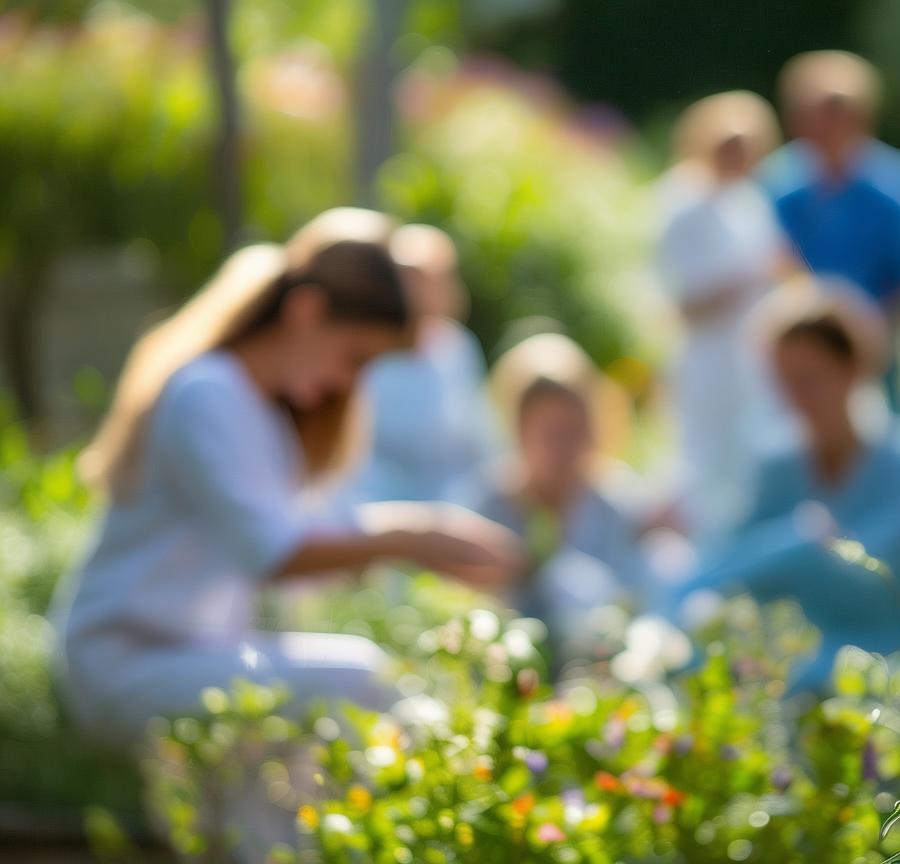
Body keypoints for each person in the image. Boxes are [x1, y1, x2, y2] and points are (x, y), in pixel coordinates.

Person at [52, 208, 523, 751]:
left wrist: (426, 535)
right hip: (127, 660)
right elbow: (273, 553)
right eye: (354, 357)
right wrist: (412, 539)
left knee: (303, 764)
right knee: (360, 679)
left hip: (196, 651)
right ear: (306, 311)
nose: (348, 382)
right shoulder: (209, 393)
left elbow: (309, 534)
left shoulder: (263, 410)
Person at [670, 284, 900, 690]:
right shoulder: (779, 468)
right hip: (803, 662)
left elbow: (870, 578)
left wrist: (802, 545)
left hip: (897, 663)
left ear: (853, 368)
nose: (797, 399)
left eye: (810, 379)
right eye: (785, 384)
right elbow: (731, 559)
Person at [655, 90, 795, 540]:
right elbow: (680, 301)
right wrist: (746, 278)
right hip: (707, 361)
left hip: (750, 357)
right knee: (705, 462)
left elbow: (780, 266)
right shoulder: (681, 204)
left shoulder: (748, 202)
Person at [457, 333, 650, 657]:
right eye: (553, 434)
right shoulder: (488, 504)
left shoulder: (615, 500)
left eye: (576, 430)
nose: (566, 448)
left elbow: (632, 595)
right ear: (519, 430)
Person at [760, 50, 900, 294]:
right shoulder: (773, 180)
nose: (831, 124)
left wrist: (874, 319)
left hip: (883, 326)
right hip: (793, 326)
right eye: (820, 112)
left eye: (840, 110)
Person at [348, 223, 496, 503]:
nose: (423, 292)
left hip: (454, 507)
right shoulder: (372, 351)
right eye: (413, 278)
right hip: (379, 507)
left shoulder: (459, 348)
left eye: (434, 279)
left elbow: (480, 438)